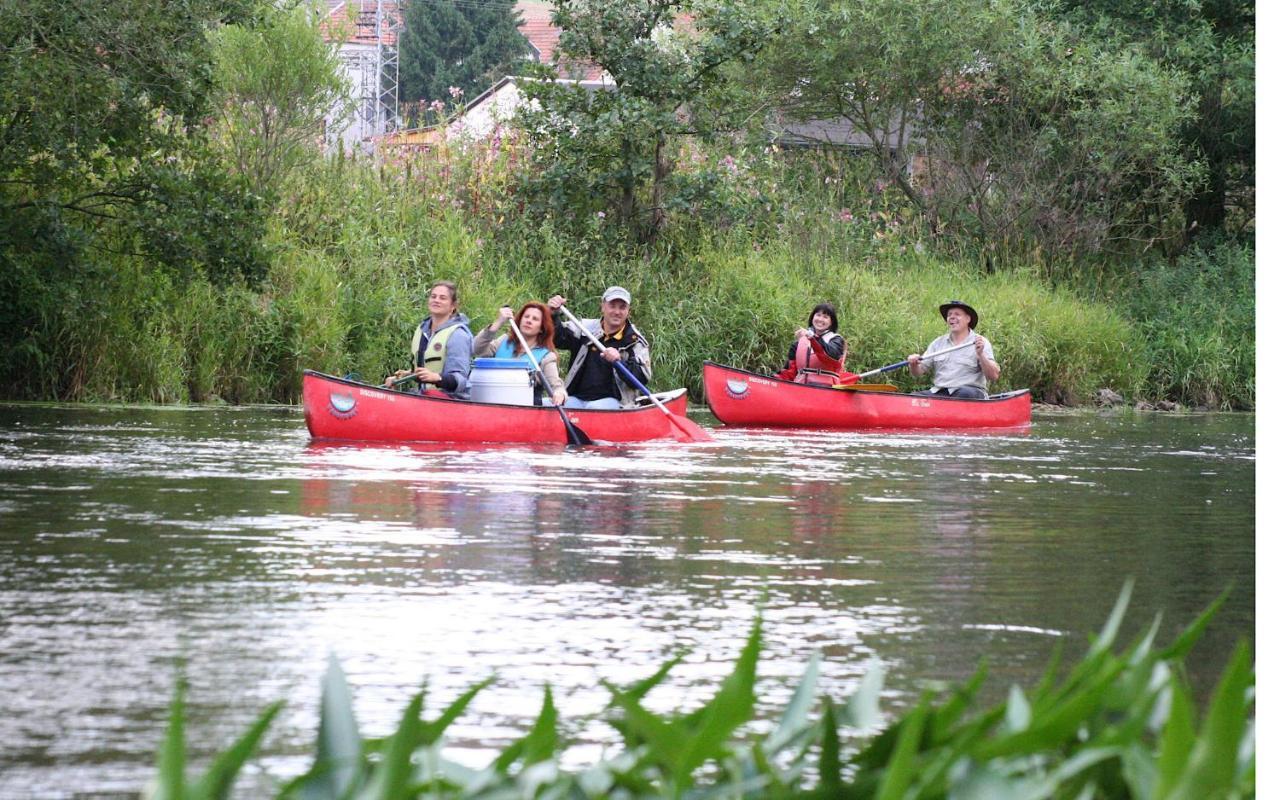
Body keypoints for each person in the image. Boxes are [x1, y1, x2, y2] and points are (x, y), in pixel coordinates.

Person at [546, 286, 651, 409]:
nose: (617, 312)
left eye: (622, 307)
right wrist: (552, 314)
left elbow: (642, 378)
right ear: (603, 307)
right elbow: (557, 338)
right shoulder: (584, 329)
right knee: (545, 405)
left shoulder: (635, 341)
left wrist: (620, 362)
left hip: (617, 403)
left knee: (593, 408)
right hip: (577, 398)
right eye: (612, 306)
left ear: (628, 311)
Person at [384, 280, 473, 399]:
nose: (436, 300)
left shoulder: (458, 335)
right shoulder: (422, 330)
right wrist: (399, 379)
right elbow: (422, 373)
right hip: (424, 397)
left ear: (453, 306)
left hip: (450, 401)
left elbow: (460, 381)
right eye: (433, 296)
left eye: (442, 298)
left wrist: (436, 378)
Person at [472, 302, 568, 406]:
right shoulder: (504, 341)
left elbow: (556, 386)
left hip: (526, 411)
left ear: (541, 328)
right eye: (526, 317)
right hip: (493, 404)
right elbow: (476, 348)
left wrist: (560, 394)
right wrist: (498, 323)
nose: (529, 320)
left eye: (535, 319)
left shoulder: (547, 357)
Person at [906, 300, 1000, 399]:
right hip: (941, 392)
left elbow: (993, 376)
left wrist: (981, 355)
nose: (952, 317)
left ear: (968, 319)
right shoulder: (938, 343)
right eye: (949, 314)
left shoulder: (980, 342)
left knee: (963, 394)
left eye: (957, 314)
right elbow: (918, 372)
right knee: (914, 397)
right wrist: (913, 364)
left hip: (970, 393)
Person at [775, 302, 848, 386]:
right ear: (813, 317)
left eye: (825, 317)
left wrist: (812, 337)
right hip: (800, 389)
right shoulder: (799, 343)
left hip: (826, 389)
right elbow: (790, 371)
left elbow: (829, 357)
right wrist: (771, 381)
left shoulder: (837, 340)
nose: (820, 319)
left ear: (831, 322)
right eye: (818, 315)